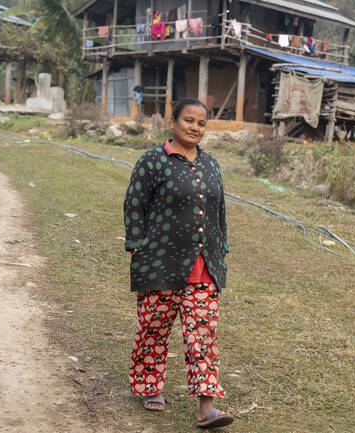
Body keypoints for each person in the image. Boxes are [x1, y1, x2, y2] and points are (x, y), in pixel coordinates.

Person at [123, 98, 233, 429]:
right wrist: (136, 246)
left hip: (204, 266)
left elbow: (220, 210)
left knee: (203, 337)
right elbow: (134, 203)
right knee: (154, 329)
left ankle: (206, 406)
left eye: (201, 123)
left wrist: (222, 246)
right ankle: (149, 387)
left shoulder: (212, 165)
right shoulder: (153, 161)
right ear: (173, 122)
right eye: (188, 120)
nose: (194, 127)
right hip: (160, 262)